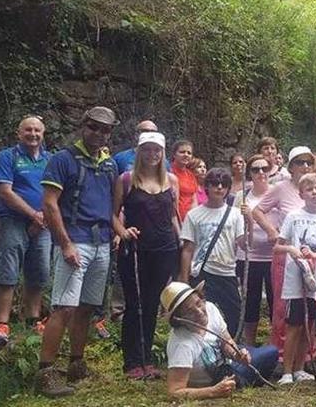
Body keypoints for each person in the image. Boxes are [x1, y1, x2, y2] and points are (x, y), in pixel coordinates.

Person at [36, 106, 120, 397]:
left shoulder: (109, 165)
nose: (99, 133)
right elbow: (49, 203)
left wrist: (117, 233)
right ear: (83, 126)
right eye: (94, 127)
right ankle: (45, 371)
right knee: (65, 307)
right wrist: (65, 243)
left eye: (105, 129)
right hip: (76, 240)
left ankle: (76, 363)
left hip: (101, 242)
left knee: (87, 307)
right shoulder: (63, 160)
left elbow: (111, 207)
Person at [112, 132, 181, 380]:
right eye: (147, 150)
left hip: (164, 249)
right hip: (135, 249)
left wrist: (181, 240)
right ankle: (131, 361)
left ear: (163, 153)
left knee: (152, 304)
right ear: (139, 151)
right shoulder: (126, 179)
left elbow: (173, 215)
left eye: (157, 150)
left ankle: (147, 359)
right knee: (134, 305)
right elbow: (112, 213)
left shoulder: (171, 180)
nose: (152, 155)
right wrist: (123, 231)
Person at [275, 173, 316, 384]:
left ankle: (300, 368)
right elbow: (278, 246)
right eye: (310, 189)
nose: (314, 192)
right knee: (294, 325)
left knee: (311, 325)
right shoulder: (294, 217)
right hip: (295, 280)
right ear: (301, 194)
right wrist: (292, 250)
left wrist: (315, 256)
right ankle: (286, 371)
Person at [0, 115, 52, 344]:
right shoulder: (9, 156)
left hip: (43, 224)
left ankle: (32, 320)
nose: (33, 134)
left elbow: (56, 190)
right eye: (28, 130)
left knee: (39, 272)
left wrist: (43, 217)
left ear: (43, 134)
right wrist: (32, 214)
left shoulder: (50, 159)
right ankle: (2, 324)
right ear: (19, 133)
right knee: (8, 270)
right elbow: (5, 190)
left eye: (37, 130)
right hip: (14, 221)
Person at [162, 281, 278, 399]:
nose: (199, 312)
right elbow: (174, 391)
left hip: (229, 364)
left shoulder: (210, 308)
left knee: (270, 352)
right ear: (179, 319)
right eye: (189, 311)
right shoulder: (182, 345)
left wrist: (236, 354)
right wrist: (212, 392)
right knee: (269, 353)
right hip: (218, 380)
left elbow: (226, 340)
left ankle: (249, 367)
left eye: (198, 303)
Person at [251, 146, 315, 358]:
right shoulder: (280, 187)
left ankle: (305, 353)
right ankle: (280, 351)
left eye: (308, 162)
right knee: (283, 304)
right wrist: (272, 231)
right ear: (291, 165)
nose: (305, 167)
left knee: (308, 302)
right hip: (286, 254)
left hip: (309, 256)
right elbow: (257, 210)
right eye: (300, 162)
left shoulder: (315, 187)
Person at [179, 168, 246, 338]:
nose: (219, 188)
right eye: (215, 184)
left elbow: (245, 245)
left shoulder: (235, 214)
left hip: (227, 271)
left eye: (224, 185)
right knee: (201, 314)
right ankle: (204, 350)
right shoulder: (194, 215)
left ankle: (231, 350)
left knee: (234, 314)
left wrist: (250, 220)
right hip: (202, 272)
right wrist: (185, 280)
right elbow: (187, 249)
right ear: (207, 186)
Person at [233, 154, 277, 345]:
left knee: (277, 302)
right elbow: (235, 225)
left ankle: (276, 344)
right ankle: (249, 344)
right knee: (251, 301)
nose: (261, 173)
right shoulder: (241, 196)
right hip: (248, 257)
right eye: (255, 169)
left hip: (274, 256)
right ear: (249, 173)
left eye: (264, 168)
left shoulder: (277, 192)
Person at [171, 140, 197, 221]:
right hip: (173, 220)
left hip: (189, 219)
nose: (186, 155)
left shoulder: (190, 175)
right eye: (182, 152)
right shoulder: (169, 172)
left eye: (189, 153)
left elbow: (193, 198)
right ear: (174, 155)